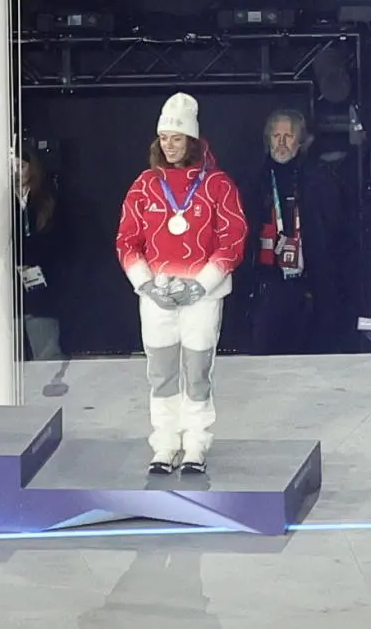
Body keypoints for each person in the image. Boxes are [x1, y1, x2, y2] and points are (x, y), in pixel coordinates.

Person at [116, 92, 247, 475]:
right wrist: (146, 284)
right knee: (160, 372)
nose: (169, 146)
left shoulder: (217, 185)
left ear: (191, 139)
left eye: (177, 138)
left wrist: (201, 285)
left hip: (200, 297)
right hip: (157, 294)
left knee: (197, 370)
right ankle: (164, 442)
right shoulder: (145, 185)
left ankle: (195, 443)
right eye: (164, 139)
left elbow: (232, 240)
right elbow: (126, 240)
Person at [243, 105, 351, 354]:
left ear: (300, 141)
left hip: (310, 287)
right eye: (276, 136)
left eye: (288, 136)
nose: (281, 143)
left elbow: (338, 234)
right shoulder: (254, 181)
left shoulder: (320, 180)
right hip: (267, 286)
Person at [17, 151, 73, 361]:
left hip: (42, 285)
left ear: (32, 167)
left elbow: (58, 241)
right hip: (6, 291)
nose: (15, 173)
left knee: (46, 351)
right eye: (10, 166)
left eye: (20, 166)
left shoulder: (48, 200)